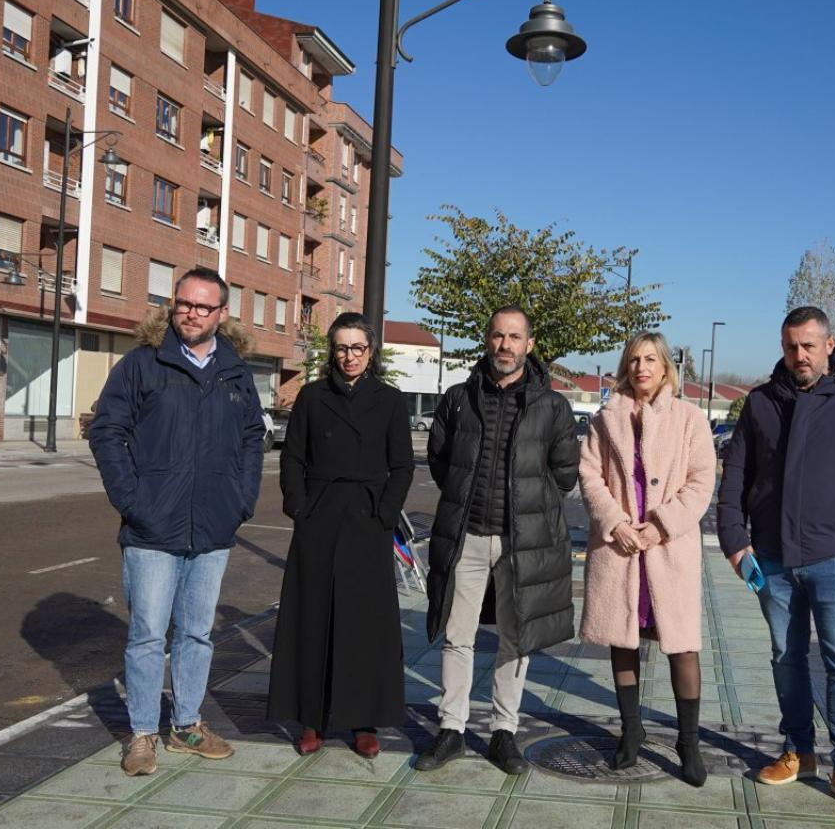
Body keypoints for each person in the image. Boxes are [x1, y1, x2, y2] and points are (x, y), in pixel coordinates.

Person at [716, 306, 835, 815]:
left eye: (808, 345)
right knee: (785, 658)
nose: (799, 355)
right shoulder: (760, 403)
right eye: (790, 346)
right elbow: (734, 477)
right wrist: (735, 542)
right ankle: (798, 751)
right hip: (773, 558)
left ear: (829, 344)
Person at [89, 267, 265, 776]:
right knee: (146, 633)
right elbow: (107, 431)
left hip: (214, 526)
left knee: (197, 633)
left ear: (221, 314)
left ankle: (186, 723)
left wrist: (241, 499)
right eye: (184, 303)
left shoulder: (235, 372)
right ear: (174, 305)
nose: (191, 313)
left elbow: (254, 437)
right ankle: (142, 733)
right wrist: (132, 499)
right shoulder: (142, 364)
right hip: (151, 527)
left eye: (203, 306)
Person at [416, 306, 579, 774]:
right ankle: (452, 728)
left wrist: (528, 508)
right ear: (487, 341)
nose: (505, 345)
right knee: (457, 635)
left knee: (515, 639)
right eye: (497, 336)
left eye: (514, 337)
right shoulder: (458, 398)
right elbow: (442, 462)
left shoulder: (552, 406)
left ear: (529, 344)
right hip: (467, 535)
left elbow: (564, 474)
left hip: (520, 542)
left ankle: (504, 732)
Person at [267, 312, 414, 758]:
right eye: (342, 348)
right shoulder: (311, 397)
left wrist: (384, 513)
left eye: (358, 348)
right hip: (320, 516)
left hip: (367, 520)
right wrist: (298, 504)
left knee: (364, 623)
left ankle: (363, 719)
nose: (350, 356)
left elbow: (403, 465)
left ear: (371, 352)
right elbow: (292, 457)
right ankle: (311, 718)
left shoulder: (389, 400)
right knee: (312, 617)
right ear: (332, 351)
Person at [578, 332, 715, 785]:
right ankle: (631, 732)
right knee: (623, 640)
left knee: (682, 645)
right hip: (619, 546)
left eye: (650, 359)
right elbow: (590, 475)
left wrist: (660, 526)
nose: (641, 367)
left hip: (668, 547)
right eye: (634, 359)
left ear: (665, 367)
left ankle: (688, 743)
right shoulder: (605, 418)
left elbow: (700, 483)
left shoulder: (690, 419)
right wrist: (614, 522)